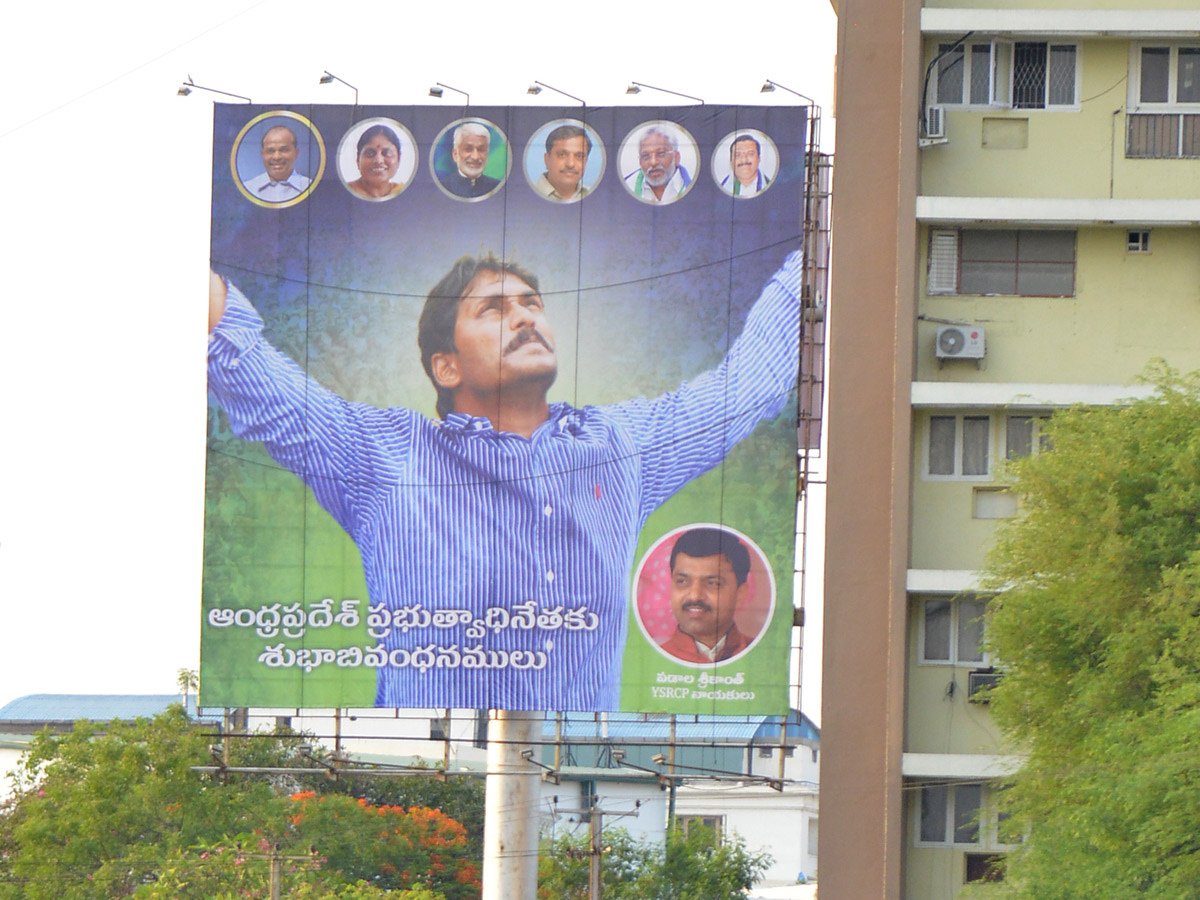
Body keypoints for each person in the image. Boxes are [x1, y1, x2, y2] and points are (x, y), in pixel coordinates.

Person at [206, 250, 803, 709]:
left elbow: (749, 386)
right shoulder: (383, 457)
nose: (523, 316)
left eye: (531, 303)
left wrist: (816, 242)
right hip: (425, 783)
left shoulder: (621, 446)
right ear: (446, 366)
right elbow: (248, 368)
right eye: (494, 309)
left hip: (575, 788)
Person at [659, 527, 756, 664]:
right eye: (682, 581)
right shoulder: (652, 661)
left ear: (740, 594)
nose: (694, 596)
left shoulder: (759, 656)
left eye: (713, 583)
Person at [624, 125, 691, 204]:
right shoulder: (625, 188)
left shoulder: (695, 189)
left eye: (661, 153)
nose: (653, 162)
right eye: (646, 156)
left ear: (676, 157)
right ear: (640, 161)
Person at [243, 125, 312, 201]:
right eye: (270, 151)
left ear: (296, 153)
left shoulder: (309, 187)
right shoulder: (248, 189)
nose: (277, 157)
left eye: (284, 150)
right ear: (262, 154)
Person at [440, 122, 501, 198]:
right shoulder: (442, 186)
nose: (475, 157)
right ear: (455, 154)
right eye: (468, 149)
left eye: (481, 149)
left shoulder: (498, 187)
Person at [533, 124, 592, 202]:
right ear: (547, 160)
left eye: (579, 156)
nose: (570, 164)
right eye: (562, 155)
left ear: (585, 161)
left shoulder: (595, 195)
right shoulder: (525, 193)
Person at [346, 124, 405, 200]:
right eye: (370, 153)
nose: (378, 160)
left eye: (387, 153)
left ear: (398, 159)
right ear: (358, 159)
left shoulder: (405, 194)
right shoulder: (344, 193)